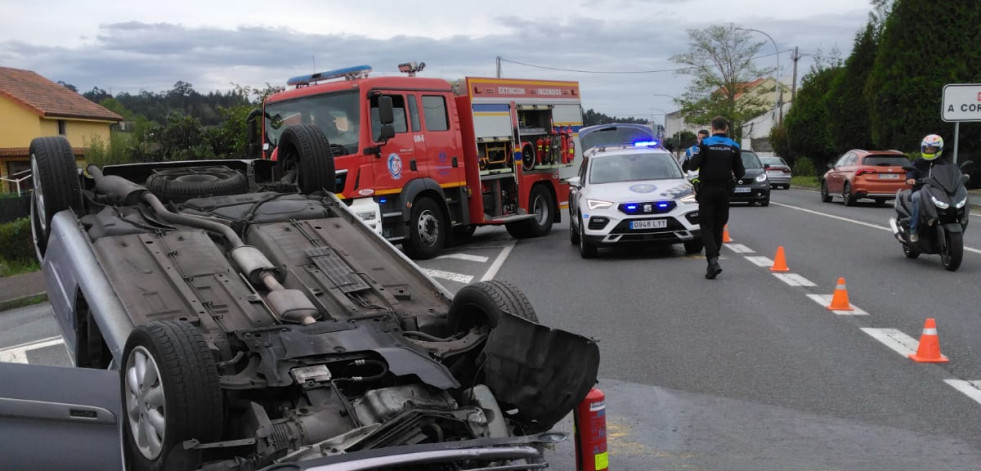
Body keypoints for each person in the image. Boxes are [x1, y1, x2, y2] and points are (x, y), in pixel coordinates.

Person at [683, 117, 745, 279]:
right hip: (724, 191)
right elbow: (740, 173)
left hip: (707, 190)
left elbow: (692, 166)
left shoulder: (705, 144)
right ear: (726, 128)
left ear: (712, 128)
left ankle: (712, 260)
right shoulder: (734, 145)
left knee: (706, 225)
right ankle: (714, 257)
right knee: (719, 225)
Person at [905, 134, 949, 243]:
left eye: (932, 149)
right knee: (917, 198)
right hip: (920, 190)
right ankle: (913, 230)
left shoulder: (943, 164)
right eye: (927, 149)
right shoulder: (919, 162)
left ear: (938, 149)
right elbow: (911, 170)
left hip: (937, 192)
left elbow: (949, 174)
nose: (929, 151)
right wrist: (910, 178)